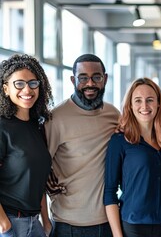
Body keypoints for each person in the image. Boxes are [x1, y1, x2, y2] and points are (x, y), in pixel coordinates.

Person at [44, 54, 120, 236]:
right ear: (73, 80)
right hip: (66, 225)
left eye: (96, 77)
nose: (90, 84)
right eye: (83, 78)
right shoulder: (56, 118)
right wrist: (45, 222)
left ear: (105, 78)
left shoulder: (114, 115)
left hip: (107, 222)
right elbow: (40, 168)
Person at [104, 77, 161, 237]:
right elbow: (110, 192)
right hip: (133, 227)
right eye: (138, 101)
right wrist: (117, 235)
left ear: (158, 104)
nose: (144, 106)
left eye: (150, 100)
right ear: (130, 105)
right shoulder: (119, 141)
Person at [0, 54, 53, 236]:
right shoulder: (2, 127)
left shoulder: (37, 126)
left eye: (32, 83)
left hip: (34, 223)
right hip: (10, 224)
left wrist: (45, 221)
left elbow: (37, 180)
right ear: (6, 89)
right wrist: (4, 224)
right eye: (19, 84)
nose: (27, 90)